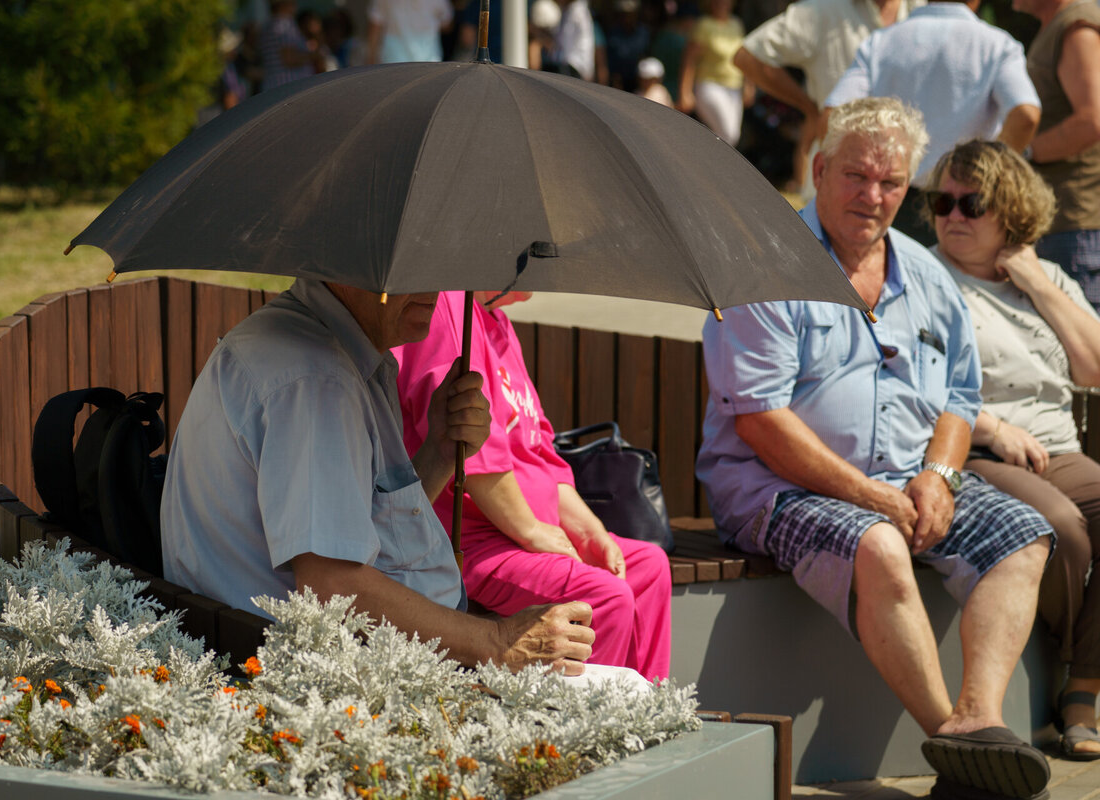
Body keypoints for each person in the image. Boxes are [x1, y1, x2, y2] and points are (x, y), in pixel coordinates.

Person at [695, 97, 1055, 799]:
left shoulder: (925, 275)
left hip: (900, 478)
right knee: (879, 543)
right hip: (773, 489)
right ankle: (955, 745)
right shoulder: (766, 267)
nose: (873, 195)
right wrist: (874, 496)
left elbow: (957, 398)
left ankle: (978, 721)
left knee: (1022, 534)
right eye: (857, 176)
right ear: (820, 168)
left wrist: (940, 476)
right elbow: (762, 424)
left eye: (891, 183)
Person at [160, 279, 595, 675]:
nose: (438, 283)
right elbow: (334, 586)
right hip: (307, 680)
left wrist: (441, 451)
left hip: (328, 659)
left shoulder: (333, 352)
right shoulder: (315, 379)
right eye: (414, 267)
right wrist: (498, 643)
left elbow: (369, 534)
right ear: (350, 266)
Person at [394, 291, 673, 681]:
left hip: (523, 536)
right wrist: (533, 531)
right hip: (474, 543)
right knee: (603, 597)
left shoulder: (498, 323)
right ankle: (588, 730)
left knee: (648, 567)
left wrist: (592, 532)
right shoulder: (451, 307)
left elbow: (540, 450)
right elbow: (471, 452)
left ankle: (649, 709)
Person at [926, 139, 1100, 760]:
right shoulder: (925, 277)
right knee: (1064, 531)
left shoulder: (1044, 276)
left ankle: (1082, 686)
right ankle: (1079, 681)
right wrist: (993, 427)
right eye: (941, 201)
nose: (952, 216)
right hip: (976, 449)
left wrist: (1036, 283)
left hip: (1058, 447)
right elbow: (918, 384)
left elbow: (1094, 367)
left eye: (970, 203)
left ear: (1010, 210)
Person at [823, 0, 1041, 243]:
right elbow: (1025, 115)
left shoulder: (882, 41)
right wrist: (989, 176)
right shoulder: (997, 45)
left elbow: (835, 114)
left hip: (888, 197)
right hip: (966, 205)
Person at [732, 0, 923, 198]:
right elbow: (748, 57)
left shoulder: (921, 10)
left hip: (910, 184)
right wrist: (809, 108)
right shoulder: (824, 10)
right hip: (836, 179)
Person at [1014, 0, 1100, 312]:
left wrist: (1019, 154)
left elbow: (1091, 121)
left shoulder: (1076, 27)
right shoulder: (1062, 27)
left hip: (1077, 225)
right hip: (1067, 223)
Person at [677, 0, 749, 145]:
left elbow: (744, 57)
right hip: (709, 86)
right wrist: (685, 92)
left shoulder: (736, 24)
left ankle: (707, 163)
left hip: (734, 88)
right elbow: (689, 60)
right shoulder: (704, 25)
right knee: (729, 133)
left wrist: (749, 86)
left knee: (729, 137)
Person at [259, 0, 325, 91]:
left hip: (276, 86)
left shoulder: (269, 24)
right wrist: (314, 55)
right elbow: (289, 59)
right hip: (288, 88)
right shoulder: (284, 24)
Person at [366, 0, 454, 64]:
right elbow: (447, 24)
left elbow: (376, 26)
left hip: (393, 58)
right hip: (428, 57)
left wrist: (371, 57)